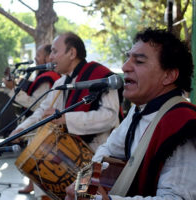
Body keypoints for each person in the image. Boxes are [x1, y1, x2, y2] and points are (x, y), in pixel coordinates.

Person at [66, 28, 196, 199]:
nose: (125, 66)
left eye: (139, 61)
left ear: (169, 75)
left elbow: (176, 197)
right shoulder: (140, 109)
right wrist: (84, 183)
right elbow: (108, 149)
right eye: (128, 58)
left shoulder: (182, 124)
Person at [9, 32, 120, 200]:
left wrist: (66, 119)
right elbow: (42, 111)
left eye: (54, 51)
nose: (50, 57)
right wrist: (21, 129)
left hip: (96, 159)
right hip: (66, 158)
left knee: (87, 198)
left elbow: (109, 117)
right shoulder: (61, 82)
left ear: (72, 53)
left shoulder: (101, 76)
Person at [4, 44, 61, 196]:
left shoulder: (48, 78)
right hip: (37, 125)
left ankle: (38, 191)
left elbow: (35, 105)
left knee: (36, 162)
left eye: (38, 54)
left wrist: (12, 90)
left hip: (41, 128)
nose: (35, 58)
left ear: (48, 57)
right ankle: (32, 186)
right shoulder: (47, 77)